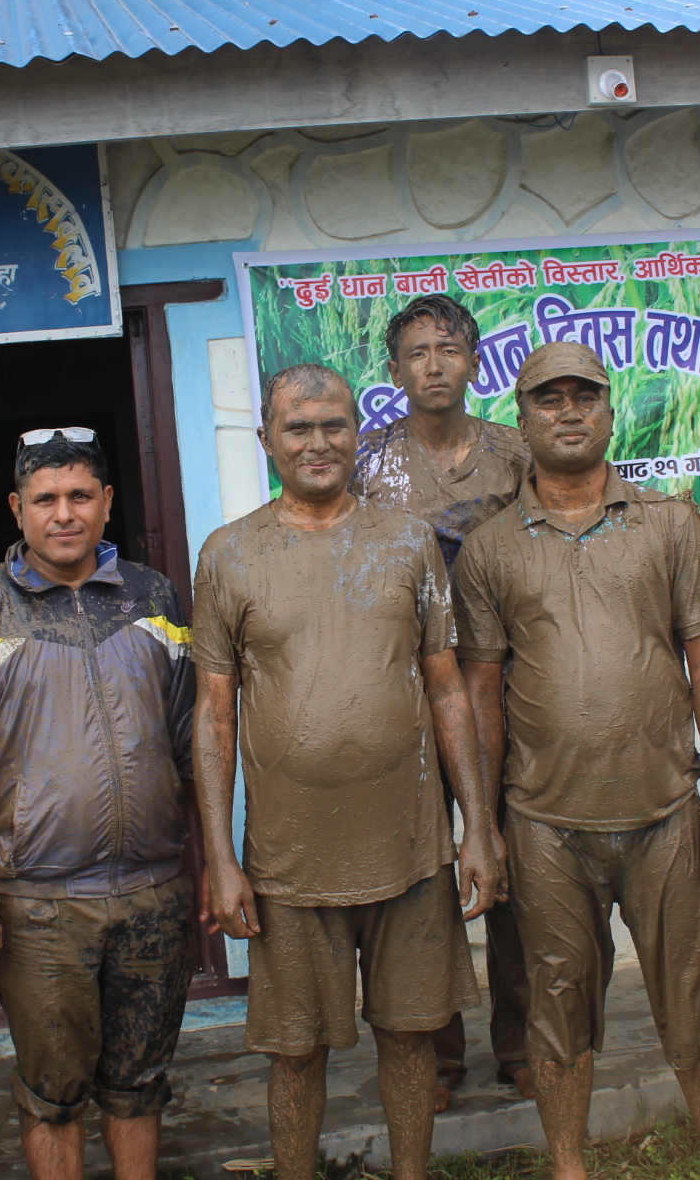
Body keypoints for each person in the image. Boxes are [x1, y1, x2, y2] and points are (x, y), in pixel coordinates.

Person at [192, 362, 505, 1180]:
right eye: (298, 428)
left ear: (358, 433)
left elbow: (446, 687)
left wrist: (478, 827)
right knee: (294, 1053)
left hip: (408, 850)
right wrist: (221, 859)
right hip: (288, 867)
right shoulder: (229, 555)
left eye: (334, 424)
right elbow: (214, 712)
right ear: (267, 441)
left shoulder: (406, 541)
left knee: (410, 1037)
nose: (319, 442)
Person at [453, 341, 700, 1180]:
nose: (570, 412)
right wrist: (483, 826)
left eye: (586, 397)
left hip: (664, 815)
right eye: (550, 399)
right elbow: (479, 695)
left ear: (612, 413)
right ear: (523, 418)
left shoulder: (670, 523)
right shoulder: (491, 549)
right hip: (545, 825)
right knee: (556, 1011)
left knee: (697, 1006)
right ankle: (570, 1168)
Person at [0, 428, 199, 1180]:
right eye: (45, 499)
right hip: (38, 904)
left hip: (154, 891)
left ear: (108, 503)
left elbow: (189, 746)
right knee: (53, 1094)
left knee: (139, 1083)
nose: (63, 514)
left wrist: (212, 865)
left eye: (80, 496)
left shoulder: (155, 598)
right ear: (17, 508)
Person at [352, 294, 534, 1108]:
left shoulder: (514, 454)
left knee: (512, 857)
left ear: (474, 362)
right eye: (417, 352)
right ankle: (439, 1054)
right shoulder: (363, 464)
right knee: (427, 873)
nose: (433, 364)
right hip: (406, 687)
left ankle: (524, 1045)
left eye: (449, 349)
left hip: (510, 682)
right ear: (393, 371)